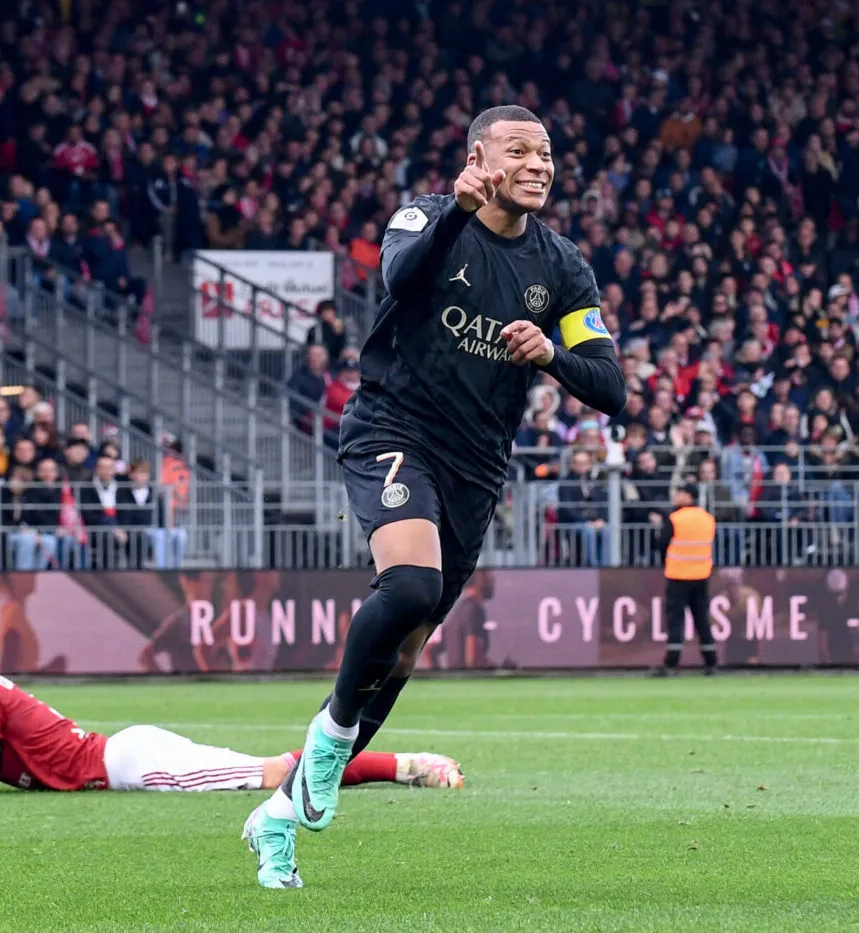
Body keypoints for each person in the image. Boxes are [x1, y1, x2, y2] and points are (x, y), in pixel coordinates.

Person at [243, 105, 627, 888]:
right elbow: (399, 277)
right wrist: (455, 208)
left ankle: (278, 813)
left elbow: (612, 386)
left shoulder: (562, 268)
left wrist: (551, 351)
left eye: (547, 152)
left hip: (476, 468)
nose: (539, 165)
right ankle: (331, 734)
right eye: (519, 150)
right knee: (410, 583)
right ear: (480, 158)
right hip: (393, 427)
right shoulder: (425, 215)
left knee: (409, 644)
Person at [0, 632, 463, 796]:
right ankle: (401, 765)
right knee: (270, 772)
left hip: (127, 766)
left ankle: (404, 765)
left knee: (274, 776)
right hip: (124, 755)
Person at [650, 485, 718, 676]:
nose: (676, 496)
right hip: (701, 576)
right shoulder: (708, 519)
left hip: (678, 575)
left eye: (680, 493)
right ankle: (711, 662)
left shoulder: (675, 519)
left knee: (675, 620)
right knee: (702, 619)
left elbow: (661, 543)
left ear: (689, 496)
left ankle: (671, 663)